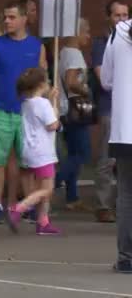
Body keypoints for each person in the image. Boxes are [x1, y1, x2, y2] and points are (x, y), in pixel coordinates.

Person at [0, 0, 47, 224]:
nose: (7, 21)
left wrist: (45, 105)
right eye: (5, 17)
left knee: (26, 161)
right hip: (0, 108)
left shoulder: (37, 46)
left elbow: (42, 79)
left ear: (23, 19)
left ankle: (19, 204)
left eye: (11, 17)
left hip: (27, 111)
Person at [7, 67, 61, 235]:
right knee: (47, 189)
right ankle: (18, 208)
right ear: (41, 84)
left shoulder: (26, 103)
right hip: (42, 151)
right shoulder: (43, 104)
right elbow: (53, 125)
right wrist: (54, 104)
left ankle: (43, 221)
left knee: (40, 188)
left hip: (30, 149)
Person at [100, 16, 132, 274]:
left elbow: (106, 80)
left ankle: (127, 257)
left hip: (125, 130)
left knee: (126, 195)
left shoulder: (117, 34)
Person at [92, 0, 129, 223]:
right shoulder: (103, 42)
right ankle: (104, 204)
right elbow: (102, 76)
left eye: (125, 15)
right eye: (117, 15)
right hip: (109, 108)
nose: (122, 20)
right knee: (107, 160)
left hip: (125, 108)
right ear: (108, 17)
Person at [55, 18, 93, 211]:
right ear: (77, 33)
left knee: (72, 153)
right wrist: (86, 90)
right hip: (76, 109)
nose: (88, 36)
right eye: (86, 32)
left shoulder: (62, 52)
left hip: (64, 109)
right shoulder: (75, 54)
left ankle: (72, 196)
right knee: (82, 153)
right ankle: (54, 182)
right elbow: (71, 82)